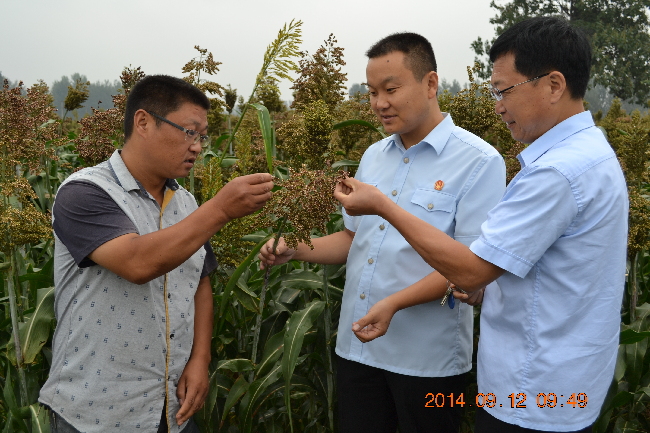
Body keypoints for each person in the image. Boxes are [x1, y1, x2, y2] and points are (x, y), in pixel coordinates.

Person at [337, 17, 628, 433]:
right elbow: (531, 273)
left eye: (504, 90)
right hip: (552, 384)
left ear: (553, 84)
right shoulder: (586, 155)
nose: (498, 105)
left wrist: (385, 206)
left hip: (533, 393)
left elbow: (472, 268)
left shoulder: (556, 172)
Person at [259, 33, 505, 433]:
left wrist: (393, 304)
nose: (379, 103)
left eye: (391, 89)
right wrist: (296, 249)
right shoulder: (374, 155)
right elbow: (354, 240)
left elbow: (471, 267)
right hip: (357, 351)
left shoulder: (479, 162)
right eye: (372, 92)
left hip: (425, 361)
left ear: (430, 84)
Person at [39, 75, 273, 433]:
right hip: (97, 411)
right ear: (144, 122)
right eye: (189, 132)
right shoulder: (84, 193)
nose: (198, 146)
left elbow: (201, 282)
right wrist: (222, 209)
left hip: (171, 410)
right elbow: (137, 262)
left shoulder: (186, 202)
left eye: (202, 136)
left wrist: (200, 359)